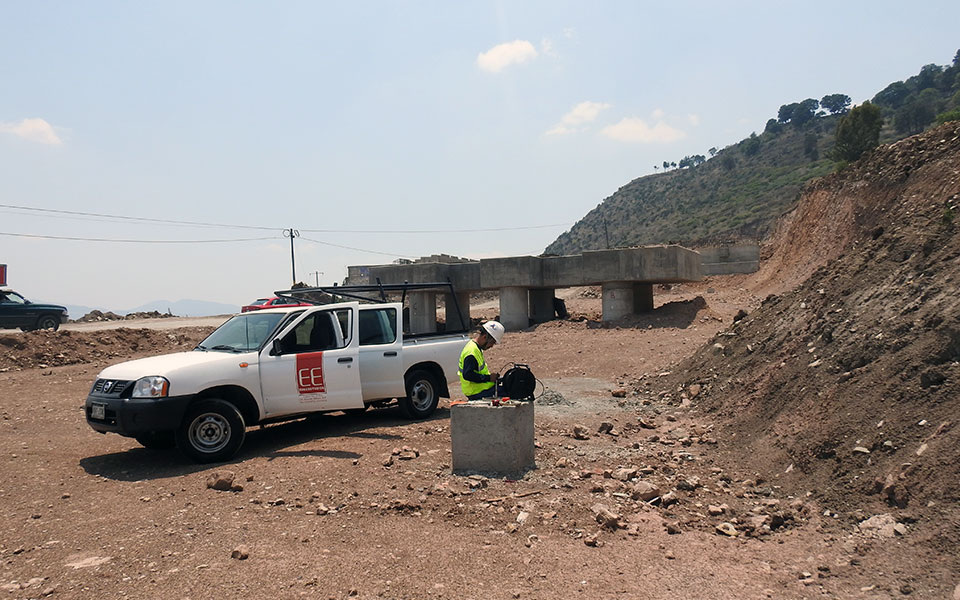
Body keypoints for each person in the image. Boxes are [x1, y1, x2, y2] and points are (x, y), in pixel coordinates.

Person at [458, 320, 504, 400]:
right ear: (485, 337)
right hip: (477, 392)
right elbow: (468, 375)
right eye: (492, 342)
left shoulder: (475, 347)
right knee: (511, 392)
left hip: (480, 389)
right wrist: (488, 378)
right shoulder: (471, 352)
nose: (492, 346)